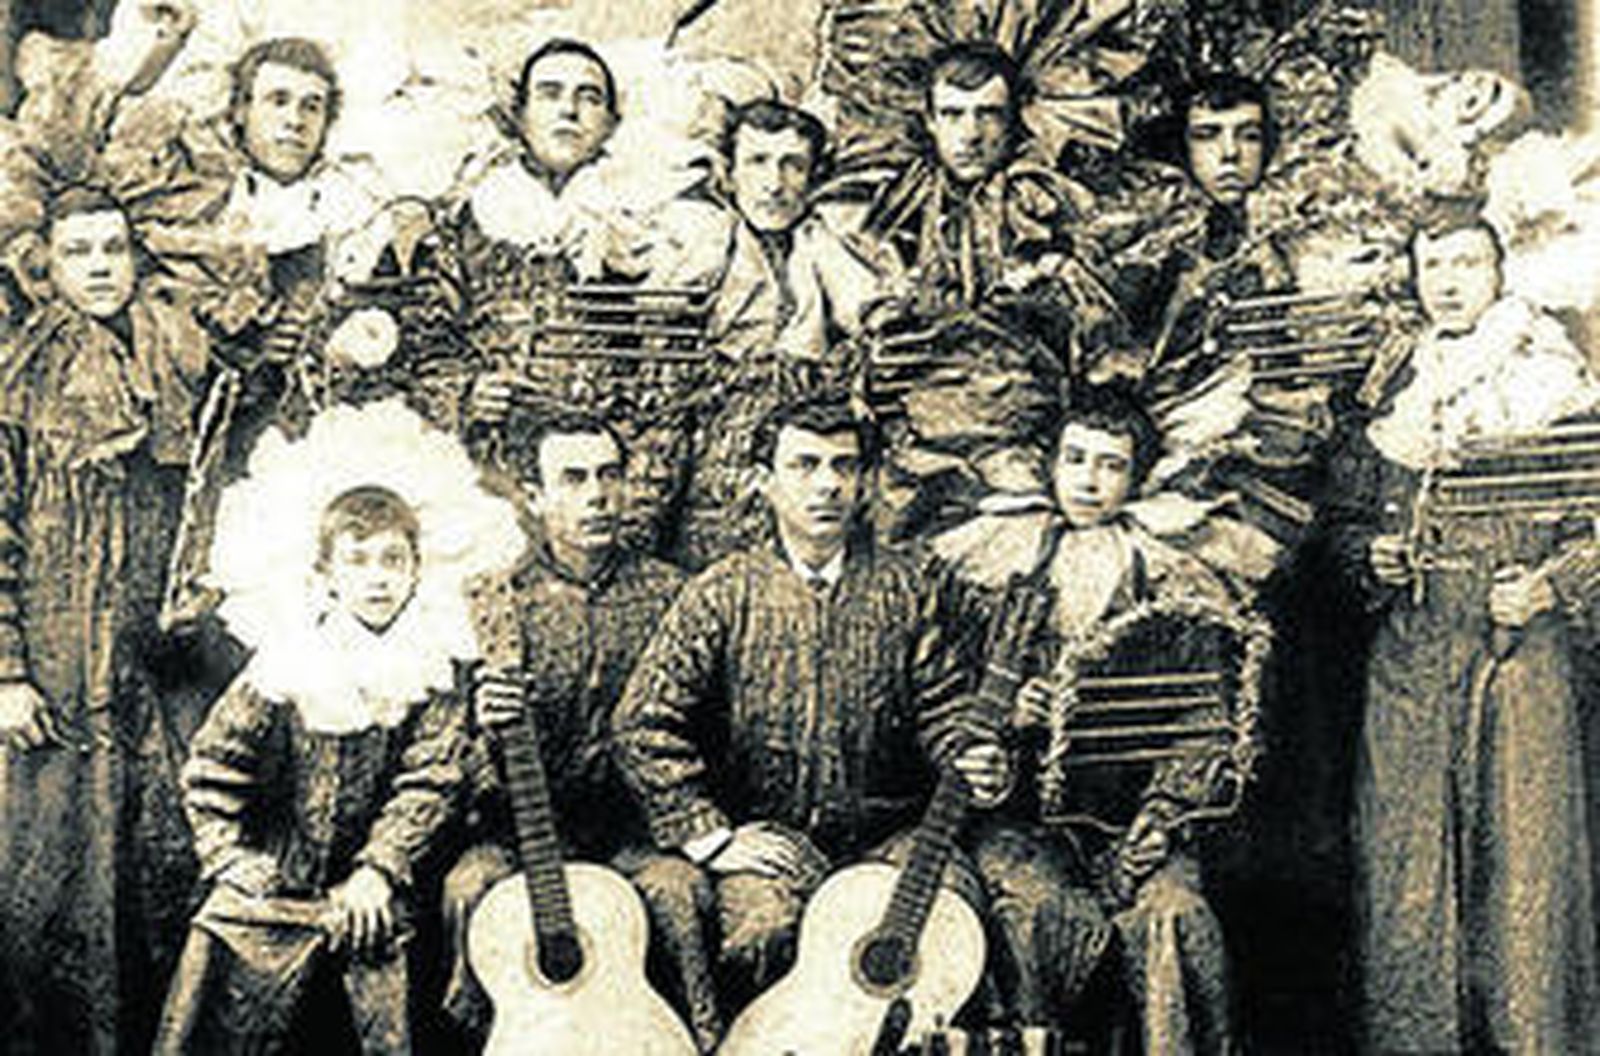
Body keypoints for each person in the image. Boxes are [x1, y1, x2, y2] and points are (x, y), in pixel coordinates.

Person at [612, 393, 1011, 1041]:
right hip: (772, 842)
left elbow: (944, 710)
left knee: (944, 925)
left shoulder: (908, 588)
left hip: (889, 838)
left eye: (843, 466)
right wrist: (711, 836)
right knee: (761, 932)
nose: (827, 484)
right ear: (764, 482)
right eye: (804, 465)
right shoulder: (723, 592)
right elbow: (642, 724)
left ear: (864, 482)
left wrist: (973, 758)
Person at [1327, 211, 1600, 1054]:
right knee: (1406, 870)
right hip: (1411, 657)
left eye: (1467, 264)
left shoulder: (1552, 373)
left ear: (1499, 271)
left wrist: (1553, 584)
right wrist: (1368, 557)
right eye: (1432, 265)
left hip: (1519, 654)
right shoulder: (1390, 381)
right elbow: (1339, 517)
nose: (1447, 282)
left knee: (1524, 868)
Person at [0, 186, 216, 1055]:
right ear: (46, 266)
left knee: (157, 859)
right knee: (53, 875)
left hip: (154, 660)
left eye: (113, 249)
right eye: (78, 251)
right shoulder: (19, 376)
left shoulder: (171, 357)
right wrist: (6, 672)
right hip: (55, 662)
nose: (99, 268)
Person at [964, 387, 1242, 1052]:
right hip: (1025, 823)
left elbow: (1203, 718)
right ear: (1049, 464)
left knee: (1175, 914)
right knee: (1035, 913)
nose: (1088, 481)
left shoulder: (1172, 577)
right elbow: (944, 696)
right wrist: (1007, 715)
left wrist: (1159, 821)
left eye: (1111, 465)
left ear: (1138, 477)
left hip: (1138, 814)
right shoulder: (1000, 563)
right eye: (1075, 459)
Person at [154, 485, 468, 1054]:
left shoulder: (435, 665)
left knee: (385, 958)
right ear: (327, 575)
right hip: (282, 882)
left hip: (386, 885)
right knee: (220, 930)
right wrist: (230, 856)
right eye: (357, 561)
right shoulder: (288, 657)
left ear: (416, 571)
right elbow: (212, 765)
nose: (377, 579)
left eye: (393, 561)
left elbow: (431, 779)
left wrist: (379, 869)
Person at [437, 409, 695, 1047]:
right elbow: (447, 751)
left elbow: (700, 728)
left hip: (633, 833)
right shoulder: (498, 599)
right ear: (533, 495)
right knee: (468, 889)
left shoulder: (673, 594)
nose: (597, 496)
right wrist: (488, 729)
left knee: (680, 894)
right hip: (520, 832)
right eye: (574, 479)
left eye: (609, 475)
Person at [645, 98, 891, 568]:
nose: (774, 184)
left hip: (812, 445)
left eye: (792, 165)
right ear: (730, 173)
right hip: (717, 440)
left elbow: (867, 309)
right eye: (757, 161)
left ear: (813, 176)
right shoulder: (703, 244)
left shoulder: (826, 246)